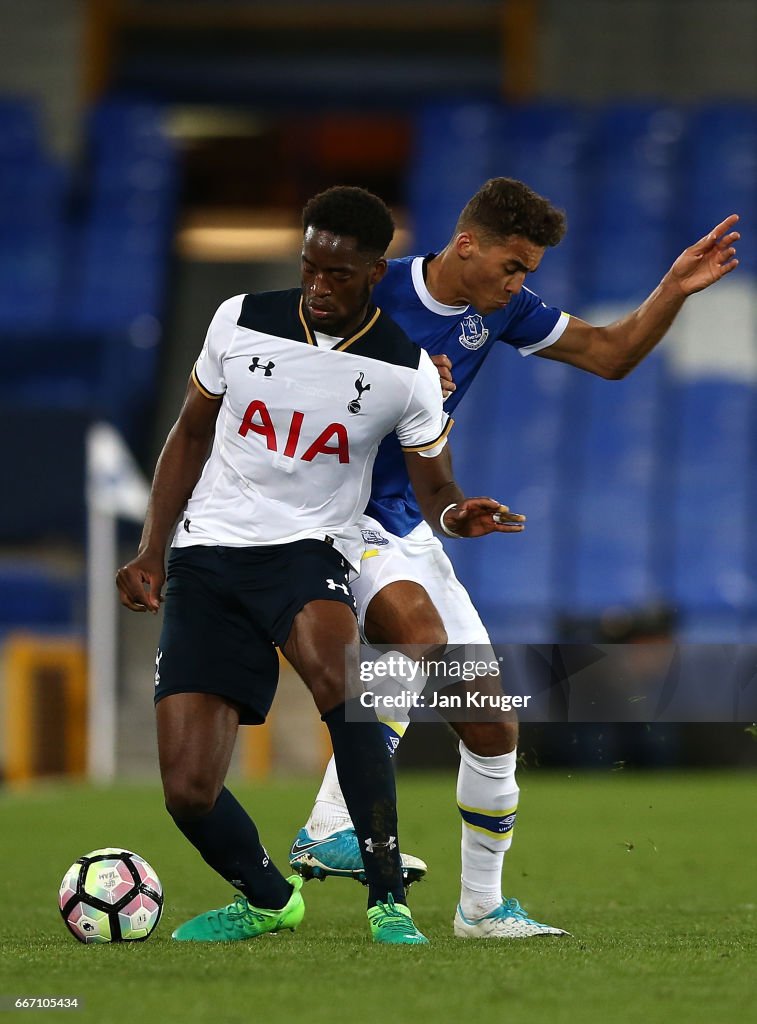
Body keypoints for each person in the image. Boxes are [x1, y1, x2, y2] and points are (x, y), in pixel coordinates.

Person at [290, 177, 741, 938]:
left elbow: (609, 355)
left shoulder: (497, 314)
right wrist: (390, 380)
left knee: (493, 724)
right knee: (416, 641)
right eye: (513, 266)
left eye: (527, 270)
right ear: (467, 245)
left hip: (410, 525)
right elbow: (287, 396)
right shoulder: (366, 292)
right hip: (338, 513)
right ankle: (329, 821)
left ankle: (480, 909)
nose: (519, 283)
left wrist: (672, 288)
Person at [116, 184, 526, 946]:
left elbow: (434, 484)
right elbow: (188, 434)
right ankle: (271, 898)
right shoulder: (238, 319)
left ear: (376, 273)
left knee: (351, 691)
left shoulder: (406, 372)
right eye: (309, 267)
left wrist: (453, 514)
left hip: (310, 554)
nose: (318, 285)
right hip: (208, 555)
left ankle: (386, 900)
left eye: (338, 274)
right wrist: (151, 547)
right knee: (189, 791)